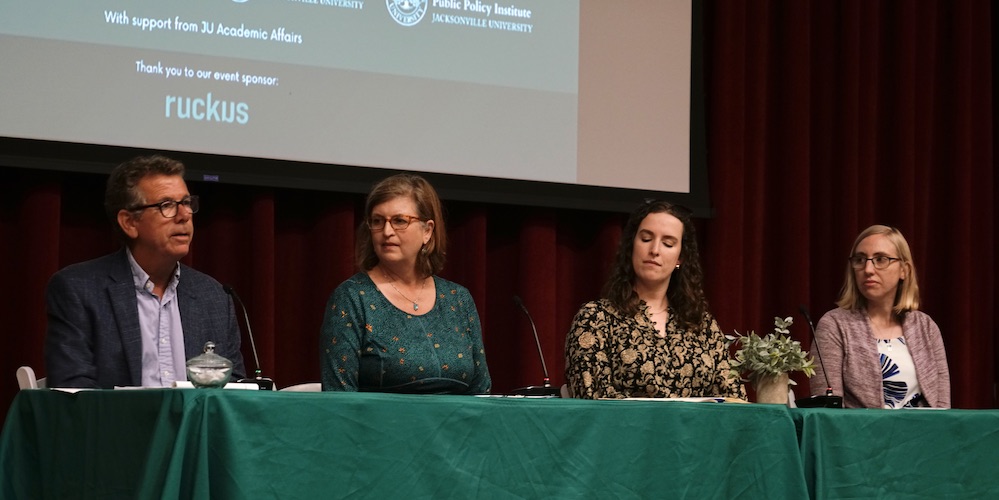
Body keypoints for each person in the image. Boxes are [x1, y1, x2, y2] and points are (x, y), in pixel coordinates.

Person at [45, 155, 245, 388]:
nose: (184, 216)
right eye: (167, 205)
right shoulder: (79, 289)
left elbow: (235, 387)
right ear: (129, 222)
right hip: (118, 423)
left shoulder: (214, 296)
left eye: (187, 202)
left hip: (197, 424)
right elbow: (73, 389)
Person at [320, 173, 491, 394]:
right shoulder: (352, 298)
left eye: (399, 221)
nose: (387, 232)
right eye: (378, 221)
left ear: (427, 231)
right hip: (381, 427)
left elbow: (481, 390)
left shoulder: (458, 299)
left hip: (458, 427)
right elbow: (339, 398)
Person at [564, 200, 745, 400]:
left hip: (698, 431)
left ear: (680, 258)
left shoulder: (702, 324)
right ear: (631, 246)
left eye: (668, 243)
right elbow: (591, 401)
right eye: (646, 239)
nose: (655, 250)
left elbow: (733, 399)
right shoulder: (595, 319)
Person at [809, 225, 950, 408]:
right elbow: (828, 412)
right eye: (860, 259)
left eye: (881, 259)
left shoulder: (926, 327)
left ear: (904, 270)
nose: (868, 269)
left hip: (923, 434)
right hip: (859, 435)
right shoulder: (834, 325)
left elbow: (943, 407)